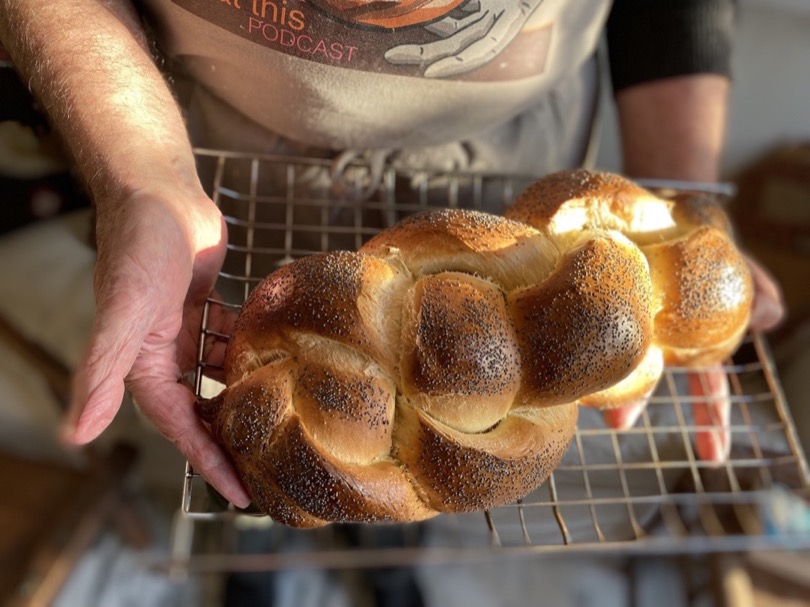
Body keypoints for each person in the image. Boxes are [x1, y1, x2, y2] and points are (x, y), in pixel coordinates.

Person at [0, 0, 784, 516]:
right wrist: (144, 179)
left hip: (518, 199)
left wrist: (675, 200)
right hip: (222, 184)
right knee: (256, 430)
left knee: (376, 456)